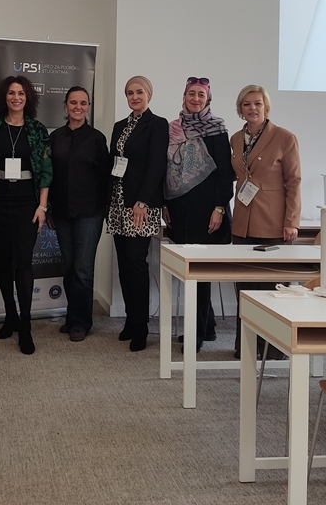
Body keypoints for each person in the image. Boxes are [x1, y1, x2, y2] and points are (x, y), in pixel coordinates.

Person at [229, 84, 301, 357]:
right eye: (247, 104)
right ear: (240, 109)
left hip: (273, 223)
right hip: (243, 222)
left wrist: (291, 220)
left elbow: (294, 182)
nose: (252, 108)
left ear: (266, 107)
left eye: (257, 103)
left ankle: (273, 350)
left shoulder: (285, 137)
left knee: (272, 290)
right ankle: (246, 347)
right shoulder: (236, 139)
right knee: (245, 289)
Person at [163, 77, 234, 350]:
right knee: (189, 270)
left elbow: (225, 174)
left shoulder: (217, 130)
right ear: (184, 97)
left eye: (200, 95)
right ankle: (208, 327)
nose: (195, 99)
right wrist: (165, 204)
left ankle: (196, 334)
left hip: (208, 212)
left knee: (199, 272)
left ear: (208, 99)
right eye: (191, 94)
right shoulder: (173, 128)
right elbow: (167, 169)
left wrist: (219, 208)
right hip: (180, 210)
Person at [0, 76, 52, 355]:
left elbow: (47, 170)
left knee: (23, 262)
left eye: (21, 93)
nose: (16, 98)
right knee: (2, 261)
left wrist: (42, 207)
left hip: (27, 203)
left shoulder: (37, 129)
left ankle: (25, 323)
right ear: (4, 97)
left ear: (28, 98)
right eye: (12, 93)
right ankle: (10, 315)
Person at [107, 75, 168, 352]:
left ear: (149, 95)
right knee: (123, 263)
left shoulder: (157, 124)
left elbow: (156, 165)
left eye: (139, 92)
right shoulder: (119, 126)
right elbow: (114, 163)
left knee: (136, 262)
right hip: (118, 203)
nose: (134, 97)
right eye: (130, 93)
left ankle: (142, 326)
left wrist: (142, 201)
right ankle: (131, 320)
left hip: (141, 206)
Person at [47, 86, 107, 342]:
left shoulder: (97, 139)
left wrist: (105, 212)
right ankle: (73, 317)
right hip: (62, 212)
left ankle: (81, 322)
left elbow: (105, 178)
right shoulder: (55, 137)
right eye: (73, 102)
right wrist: (49, 209)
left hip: (89, 213)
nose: (78, 107)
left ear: (88, 107)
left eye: (83, 103)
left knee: (83, 269)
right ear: (65, 105)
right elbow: (49, 176)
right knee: (70, 266)